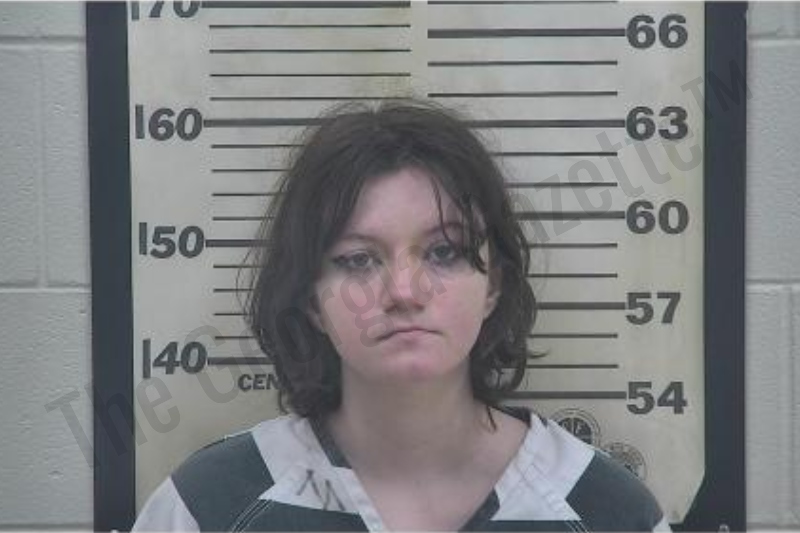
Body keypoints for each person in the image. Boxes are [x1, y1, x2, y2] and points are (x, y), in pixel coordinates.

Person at [132, 98, 671, 532]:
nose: (404, 292)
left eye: (444, 252)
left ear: (493, 285)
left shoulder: (608, 511)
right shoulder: (209, 506)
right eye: (357, 260)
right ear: (311, 301)